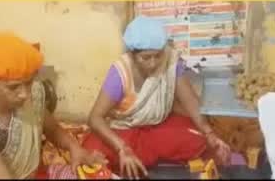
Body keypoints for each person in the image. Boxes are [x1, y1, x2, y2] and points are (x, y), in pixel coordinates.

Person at [83, 16, 231, 179]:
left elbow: (190, 101)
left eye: (158, 56)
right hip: (124, 130)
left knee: (200, 137)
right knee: (92, 150)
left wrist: (209, 133)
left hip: (157, 126)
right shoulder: (120, 73)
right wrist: (122, 148)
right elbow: (95, 118)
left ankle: (143, 154)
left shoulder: (169, 60)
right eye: (146, 58)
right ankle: (134, 154)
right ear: (132, 55)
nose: (153, 63)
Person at [0, 33, 106, 179]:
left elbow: (51, 128)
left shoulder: (33, 93)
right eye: (13, 87)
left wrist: (74, 148)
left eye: (28, 83)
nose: (25, 94)